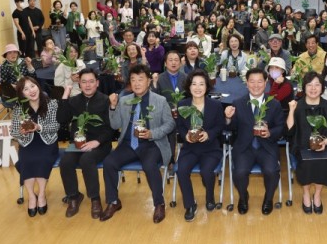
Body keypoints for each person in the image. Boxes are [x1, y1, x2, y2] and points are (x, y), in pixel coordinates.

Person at [102, 64, 175, 223]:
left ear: (149, 81)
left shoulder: (160, 100)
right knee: (109, 162)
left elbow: (170, 124)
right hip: (128, 144)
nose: (136, 83)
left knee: (149, 165)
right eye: (133, 80)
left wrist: (152, 133)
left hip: (152, 144)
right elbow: (115, 125)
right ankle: (113, 201)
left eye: (140, 79)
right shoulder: (124, 100)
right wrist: (113, 107)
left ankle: (159, 203)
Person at [224, 68, 286, 215]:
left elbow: (281, 128)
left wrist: (270, 132)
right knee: (239, 172)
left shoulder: (274, 104)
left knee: (272, 171)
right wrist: (227, 118)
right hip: (244, 147)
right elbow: (232, 128)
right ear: (246, 84)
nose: (256, 85)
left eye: (260, 81)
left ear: (266, 84)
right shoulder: (238, 103)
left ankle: (268, 198)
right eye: (252, 81)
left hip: (267, 147)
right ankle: (243, 196)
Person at [57, 68, 114, 219]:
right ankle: (74, 196)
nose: (87, 85)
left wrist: (97, 141)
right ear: (79, 84)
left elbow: (112, 128)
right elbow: (62, 119)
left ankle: (95, 199)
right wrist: (65, 95)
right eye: (84, 82)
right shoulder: (74, 101)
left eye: (91, 82)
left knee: (86, 160)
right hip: (77, 143)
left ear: (97, 83)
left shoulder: (105, 100)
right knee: (66, 162)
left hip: (100, 144)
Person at [286, 72, 327, 214]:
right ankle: (305, 193)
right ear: (304, 87)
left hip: (322, 147)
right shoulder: (297, 106)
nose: (313, 88)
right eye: (309, 85)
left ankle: (317, 194)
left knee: (323, 162)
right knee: (306, 162)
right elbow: (289, 132)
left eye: (317, 85)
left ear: (322, 88)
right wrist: (291, 111)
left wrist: (326, 140)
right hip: (301, 147)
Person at [175, 70, 225, 221]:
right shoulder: (182, 104)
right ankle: (190, 204)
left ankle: (210, 197)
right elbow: (180, 126)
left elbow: (220, 125)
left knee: (207, 171)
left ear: (207, 87)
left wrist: (209, 134)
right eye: (194, 84)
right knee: (181, 170)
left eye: (201, 84)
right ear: (189, 87)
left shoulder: (215, 105)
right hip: (190, 148)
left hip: (210, 148)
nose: (198, 87)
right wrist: (185, 136)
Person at [10, 77, 59, 217]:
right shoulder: (19, 108)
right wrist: (20, 131)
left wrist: (38, 127)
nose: (31, 90)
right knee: (26, 160)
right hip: (27, 141)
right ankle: (32, 196)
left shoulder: (52, 104)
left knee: (42, 159)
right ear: (22, 94)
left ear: (38, 86)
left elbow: (56, 126)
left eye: (33, 86)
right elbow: (13, 131)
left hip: (47, 140)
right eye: (26, 89)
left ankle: (42, 194)